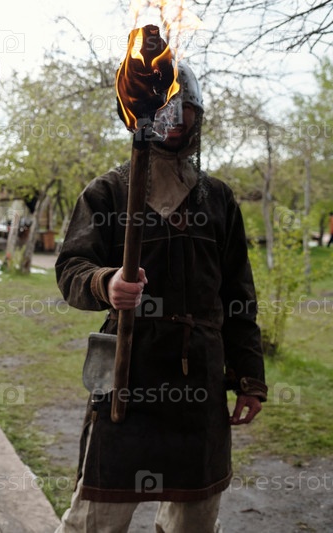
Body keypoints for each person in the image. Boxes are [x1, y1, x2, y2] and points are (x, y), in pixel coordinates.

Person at [54, 64, 268, 532]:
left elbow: (238, 295)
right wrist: (106, 282)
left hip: (199, 381)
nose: (174, 119)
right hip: (129, 373)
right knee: (96, 519)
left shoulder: (218, 198)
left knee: (193, 520)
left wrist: (250, 376)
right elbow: (71, 269)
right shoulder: (108, 192)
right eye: (163, 108)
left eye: (183, 108)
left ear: (197, 114)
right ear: (139, 114)